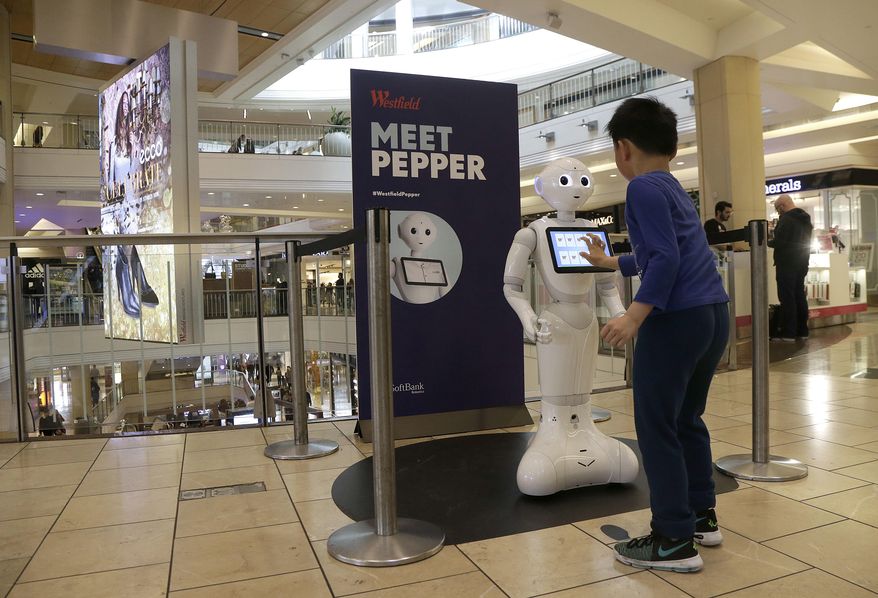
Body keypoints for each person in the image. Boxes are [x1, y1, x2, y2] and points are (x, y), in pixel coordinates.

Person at [579, 97, 730, 573]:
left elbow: (664, 260)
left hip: (676, 318)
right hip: (712, 313)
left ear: (623, 148)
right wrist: (613, 262)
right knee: (687, 419)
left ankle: (671, 538)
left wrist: (635, 315)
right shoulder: (672, 187)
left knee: (657, 426)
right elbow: (674, 251)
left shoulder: (641, 189)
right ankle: (700, 515)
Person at [768, 194, 813, 342]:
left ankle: (788, 332)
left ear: (782, 207)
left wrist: (768, 241)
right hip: (802, 262)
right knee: (799, 295)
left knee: (787, 297)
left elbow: (781, 242)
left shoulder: (786, 219)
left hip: (787, 263)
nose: (778, 212)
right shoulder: (805, 218)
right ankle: (802, 330)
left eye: (777, 209)